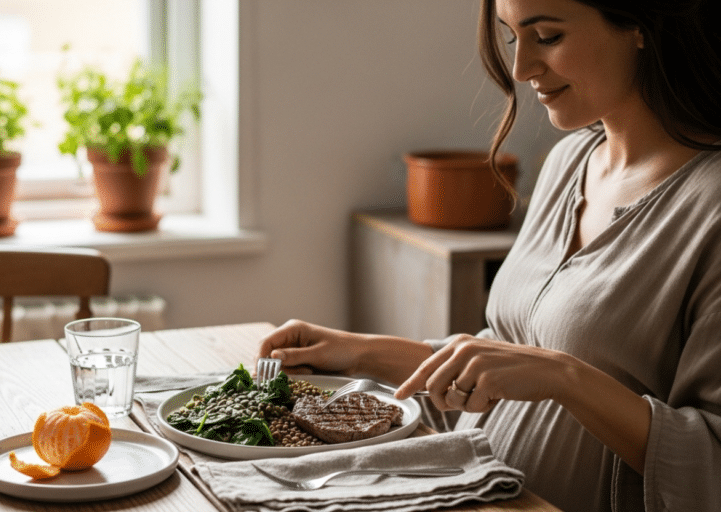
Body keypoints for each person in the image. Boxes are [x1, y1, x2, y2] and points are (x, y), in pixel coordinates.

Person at [256, 1, 721, 510]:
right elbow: (506, 362)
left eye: (546, 37)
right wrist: (359, 353)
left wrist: (566, 378)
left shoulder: (711, 206)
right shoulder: (570, 162)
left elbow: (710, 461)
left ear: (639, 24)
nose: (521, 70)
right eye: (511, 37)